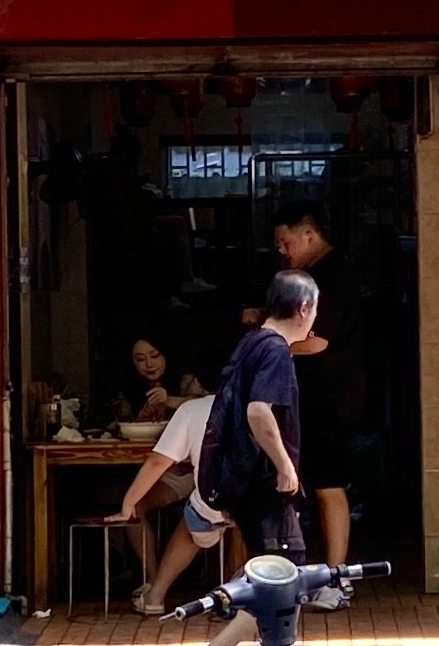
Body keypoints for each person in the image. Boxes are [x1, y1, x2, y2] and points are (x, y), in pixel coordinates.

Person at [271, 201, 363, 587]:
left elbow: (317, 342)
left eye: (286, 241)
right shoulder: (310, 276)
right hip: (308, 397)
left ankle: (337, 578)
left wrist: (268, 341)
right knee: (307, 486)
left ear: (309, 235)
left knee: (329, 487)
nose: (282, 250)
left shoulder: (334, 275)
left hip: (330, 399)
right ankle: (310, 576)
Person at [202, 268, 318, 568]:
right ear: (304, 308)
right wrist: (285, 466)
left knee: (271, 573)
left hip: (243, 482)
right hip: (263, 484)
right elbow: (258, 411)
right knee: (283, 571)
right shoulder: (275, 349)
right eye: (315, 309)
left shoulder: (251, 342)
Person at [113, 394, 233, 616]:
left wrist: (128, 502)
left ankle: (155, 595)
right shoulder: (262, 403)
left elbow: (158, 461)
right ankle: (243, 595)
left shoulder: (193, 408)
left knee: (193, 520)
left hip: (216, 500)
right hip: (262, 500)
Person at [110, 335, 206, 426]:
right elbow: (118, 425)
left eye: (155, 356)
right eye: (140, 359)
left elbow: (206, 405)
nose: (149, 364)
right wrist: (141, 421)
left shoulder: (185, 380)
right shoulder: (126, 388)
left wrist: (169, 400)